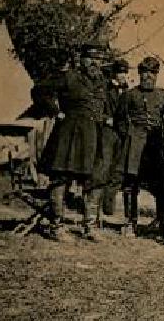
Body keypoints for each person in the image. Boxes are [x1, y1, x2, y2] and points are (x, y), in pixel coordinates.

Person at [35, 43, 111, 242]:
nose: (96, 63)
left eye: (100, 59)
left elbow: (107, 106)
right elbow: (39, 90)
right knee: (61, 177)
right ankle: (56, 225)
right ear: (82, 59)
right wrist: (55, 111)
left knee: (95, 180)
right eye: (92, 58)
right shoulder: (69, 76)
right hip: (70, 135)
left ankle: (89, 226)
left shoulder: (102, 81)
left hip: (94, 136)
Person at [117, 56, 164, 238]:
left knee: (162, 186)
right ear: (139, 74)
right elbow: (121, 121)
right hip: (135, 146)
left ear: (156, 75)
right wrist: (130, 137)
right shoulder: (129, 95)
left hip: (155, 146)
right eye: (145, 72)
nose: (148, 76)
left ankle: (163, 224)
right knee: (131, 185)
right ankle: (130, 222)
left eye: (152, 73)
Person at [98, 57, 130, 223]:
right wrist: (105, 119)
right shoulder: (105, 89)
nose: (123, 75)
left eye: (125, 72)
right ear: (114, 74)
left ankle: (109, 206)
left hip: (122, 133)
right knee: (105, 165)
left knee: (118, 170)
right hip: (108, 132)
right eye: (120, 72)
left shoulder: (127, 91)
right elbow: (97, 109)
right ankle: (98, 206)